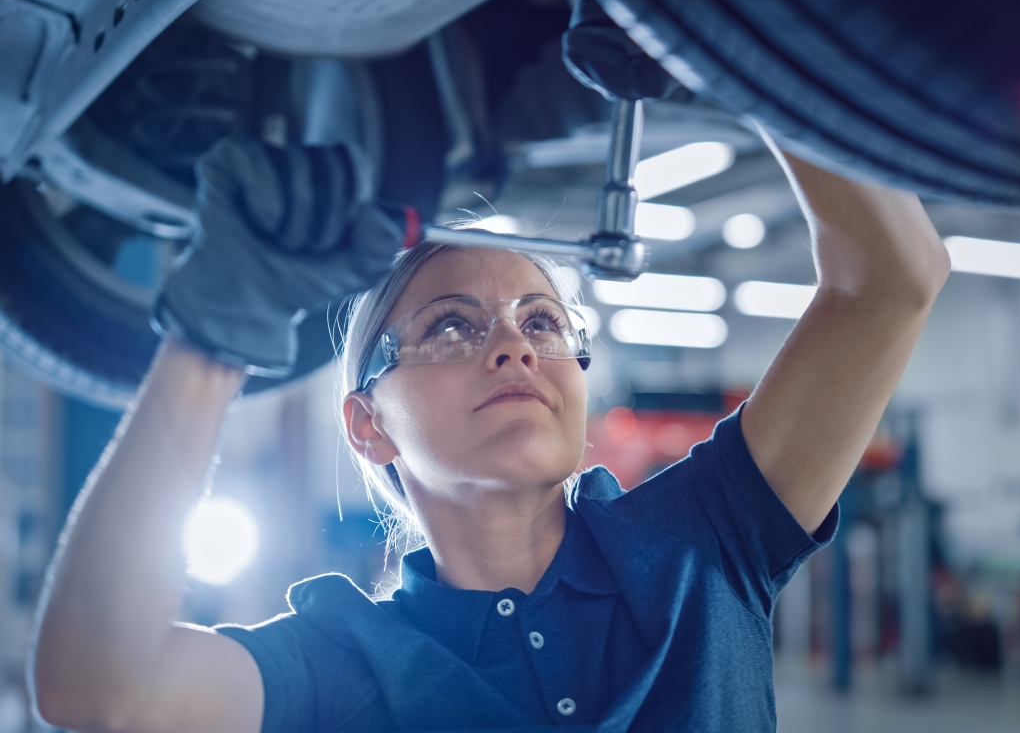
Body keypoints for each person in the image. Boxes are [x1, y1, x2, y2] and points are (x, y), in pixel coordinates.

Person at [29, 130, 949, 732]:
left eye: (541, 321)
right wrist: (215, 337)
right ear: (367, 425)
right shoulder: (344, 663)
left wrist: (729, 28)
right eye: (452, 327)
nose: (512, 344)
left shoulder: (703, 543)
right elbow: (98, 690)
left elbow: (894, 277)